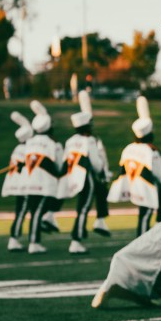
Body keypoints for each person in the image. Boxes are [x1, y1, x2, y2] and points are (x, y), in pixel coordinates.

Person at [108, 96, 161, 237]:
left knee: (151, 210)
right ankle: (147, 240)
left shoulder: (128, 148)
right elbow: (160, 174)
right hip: (148, 186)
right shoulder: (151, 151)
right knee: (148, 213)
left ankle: (153, 235)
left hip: (133, 185)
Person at [60, 91, 112, 253]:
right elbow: (96, 164)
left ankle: (100, 221)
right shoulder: (89, 140)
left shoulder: (70, 141)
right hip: (86, 178)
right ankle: (76, 240)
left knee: (96, 195)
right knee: (83, 209)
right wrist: (102, 172)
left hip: (72, 177)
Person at [22, 101, 64, 254]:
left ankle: (36, 238)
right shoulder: (54, 143)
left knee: (34, 212)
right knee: (39, 212)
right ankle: (35, 241)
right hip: (46, 183)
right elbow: (60, 165)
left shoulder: (29, 142)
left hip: (29, 181)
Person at [2, 111, 33, 251]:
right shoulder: (27, 149)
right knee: (21, 212)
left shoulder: (17, 148)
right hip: (24, 186)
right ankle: (14, 239)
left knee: (21, 211)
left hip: (18, 184)